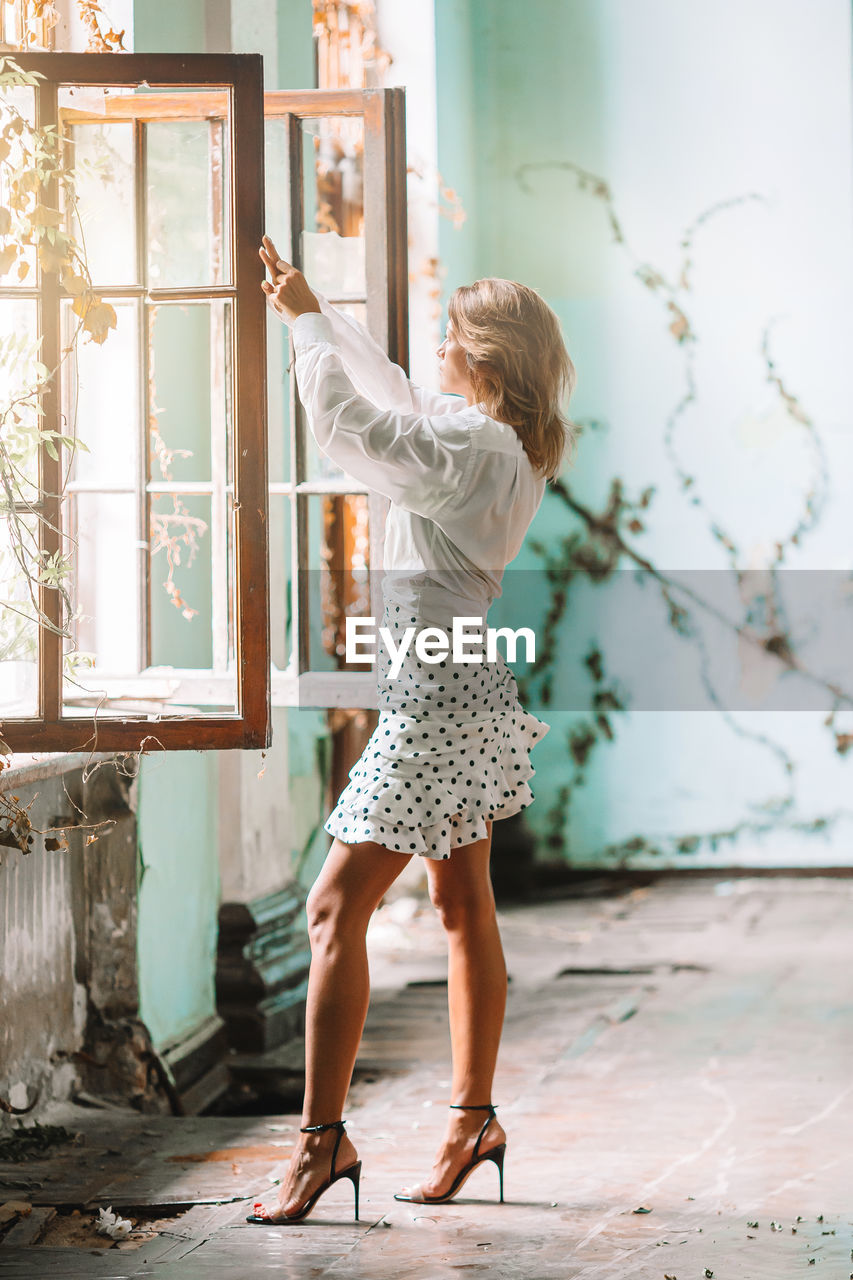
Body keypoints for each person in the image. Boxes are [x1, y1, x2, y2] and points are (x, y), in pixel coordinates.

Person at [247, 234, 578, 1225]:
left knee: (328, 912)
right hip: (463, 688)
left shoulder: (471, 452)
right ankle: (471, 1123)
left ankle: (319, 1143)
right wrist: (310, 308)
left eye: (450, 335)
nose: (436, 345)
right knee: (461, 907)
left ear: (484, 356)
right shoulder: (495, 442)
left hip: (433, 704)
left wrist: (307, 330)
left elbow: (347, 424)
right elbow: (389, 387)